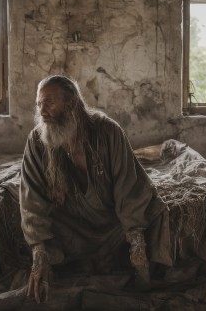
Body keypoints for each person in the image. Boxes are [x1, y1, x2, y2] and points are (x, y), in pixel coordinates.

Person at [19, 75, 173, 303]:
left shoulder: (109, 132)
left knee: (156, 210)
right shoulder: (37, 141)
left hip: (112, 224)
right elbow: (32, 199)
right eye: (39, 104)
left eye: (49, 103)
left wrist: (137, 244)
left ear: (71, 103)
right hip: (72, 224)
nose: (42, 111)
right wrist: (39, 254)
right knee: (22, 208)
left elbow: (128, 188)